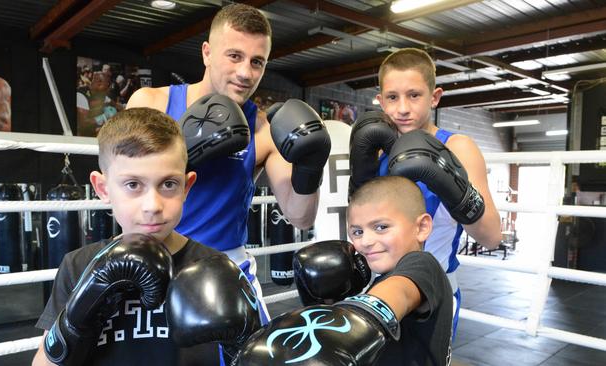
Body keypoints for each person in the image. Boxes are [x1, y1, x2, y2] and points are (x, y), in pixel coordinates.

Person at [127, 3, 330, 322]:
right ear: (207, 53)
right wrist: (184, 149)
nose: (245, 73)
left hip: (228, 267)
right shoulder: (151, 103)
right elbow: (127, 187)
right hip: (154, 261)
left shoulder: (263, 129)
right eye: (234, 56)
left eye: (257, 62)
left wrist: (311, 165)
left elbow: (301, 217)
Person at [32, 108, 260, 365]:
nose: (152, 205)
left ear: (187, 187)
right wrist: (74, 321)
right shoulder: (78, 265)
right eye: (133, 185)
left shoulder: (214, 268)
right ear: (102, 188)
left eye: (168, 184)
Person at [349, 47, 502, 337]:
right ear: (380, 100)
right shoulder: (374, 148)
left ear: (435, 97)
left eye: (414, 95)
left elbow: (492, 237)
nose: (403, 108)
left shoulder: (457, 147)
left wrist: (450, 185)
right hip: (374, 291)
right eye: (393, 97)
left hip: (432, 292)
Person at [236, 176, 453, 365]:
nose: (366, 241)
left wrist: (351, 319)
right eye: (357, 231)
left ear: (422, 227)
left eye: (381, 227)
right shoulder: (385, 275)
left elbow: (399, 293)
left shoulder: (423, 265)